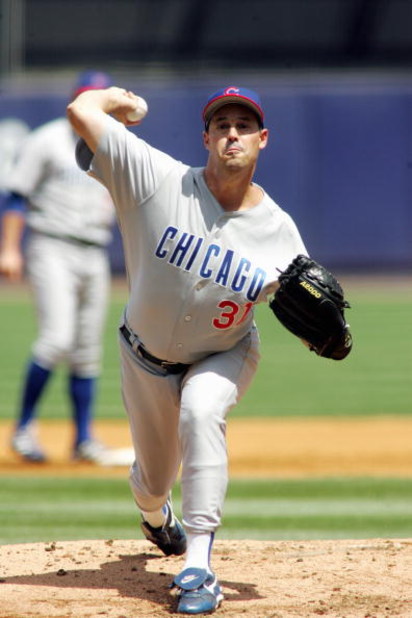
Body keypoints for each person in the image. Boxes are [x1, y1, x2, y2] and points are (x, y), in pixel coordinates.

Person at [67, 84, 308, 614]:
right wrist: (118, 102)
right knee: (152, 484)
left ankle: (198, 565)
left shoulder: (282, 233)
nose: (231, 134)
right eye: (221, 124)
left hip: (226, 351)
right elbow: (80, 112)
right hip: (143, 357)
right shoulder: (157, 178)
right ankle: (156, 517)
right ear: (205, 136)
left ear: (262, 139)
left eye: (244, 125)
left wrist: (327, 331)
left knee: (201, 411)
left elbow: (315, 315)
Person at [0, 71, 118, 465]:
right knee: (57, 339)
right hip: (52, 246)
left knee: (87, 350)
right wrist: (10, 249)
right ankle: (23, 430)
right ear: (74, 102)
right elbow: (17, 197)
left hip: (95, 252)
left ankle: (83, 440)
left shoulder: (114, 144)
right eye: (85, 98)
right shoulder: (47, 140)